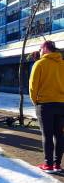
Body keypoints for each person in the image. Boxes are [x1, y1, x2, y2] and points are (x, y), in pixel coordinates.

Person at [29, 40, 64, 173]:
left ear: (45, 48)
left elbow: (33, 86)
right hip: (61, 104)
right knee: (60, 135)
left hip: (45, 105)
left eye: (40, 48)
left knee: (47, 135)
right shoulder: (63, 64)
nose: (39, 50)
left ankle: (48, 165)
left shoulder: (39, 64)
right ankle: (57, 165)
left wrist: (35, 101)